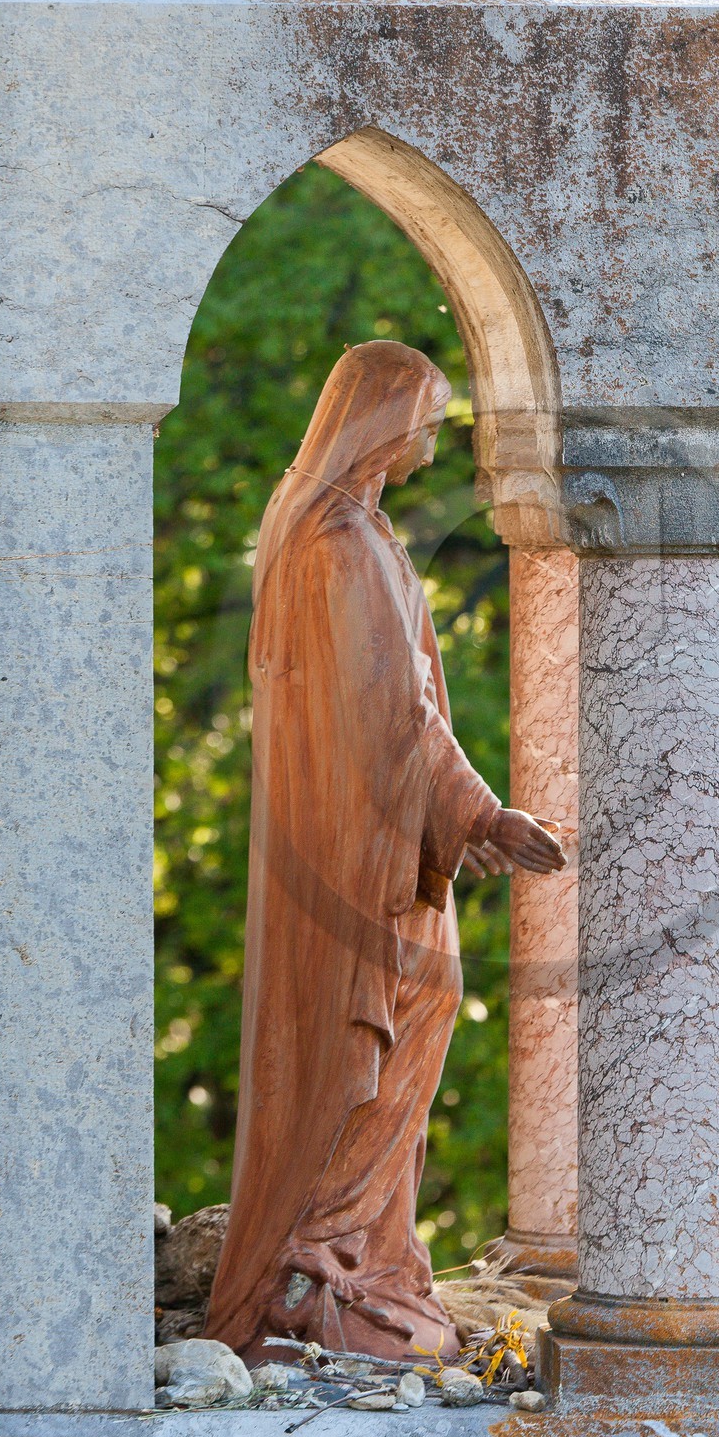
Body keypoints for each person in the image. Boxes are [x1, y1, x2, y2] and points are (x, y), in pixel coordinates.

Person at [204, 341, 566, 1365]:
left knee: (411, 1008)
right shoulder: (343, 542)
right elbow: (392, 714)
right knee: (397, 1015)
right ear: (378, 417)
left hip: (365, 841)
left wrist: (462, 815)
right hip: (363, 857)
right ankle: (326, 1255)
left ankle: (351, 1246)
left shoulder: (320, 521)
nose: (431, 437)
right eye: (424, 416)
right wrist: (479, 817)